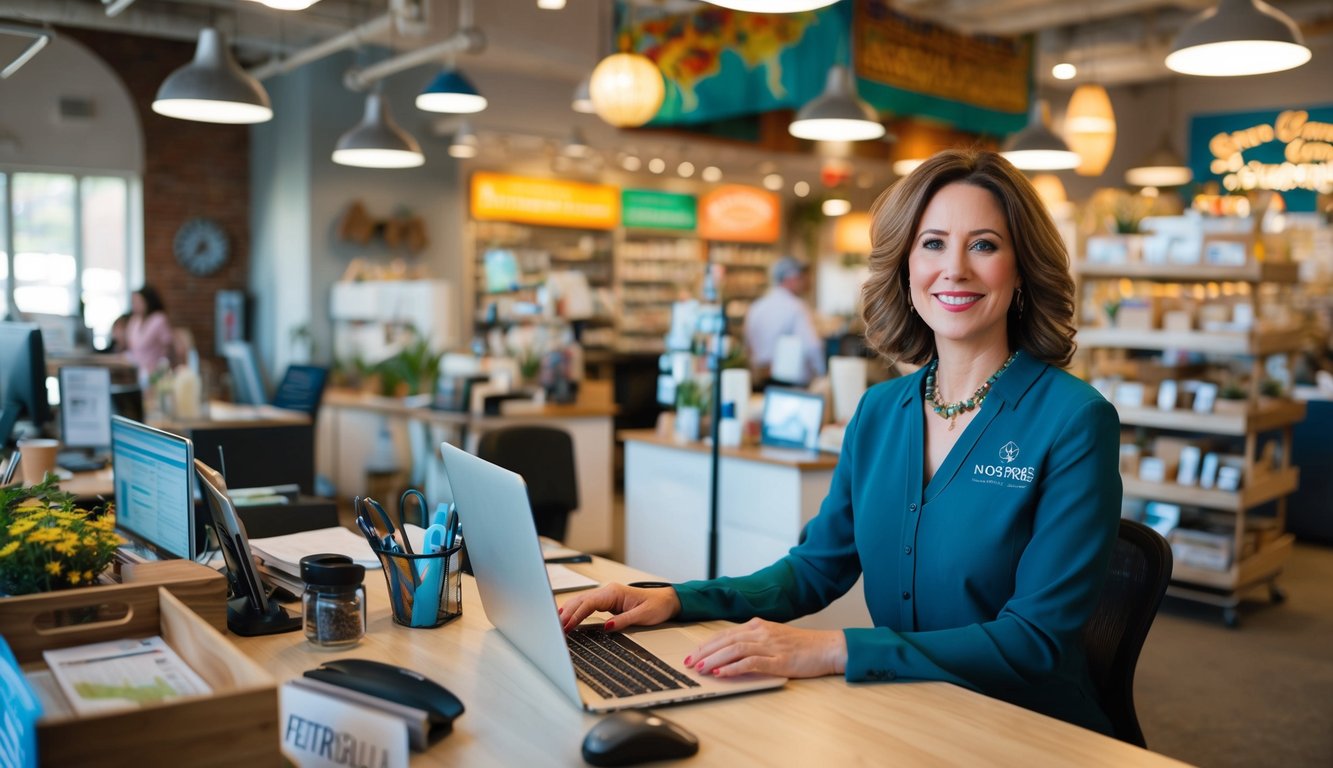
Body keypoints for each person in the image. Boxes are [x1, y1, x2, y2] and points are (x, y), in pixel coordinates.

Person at [559, 148, 1123, 735]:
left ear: (1022, 267)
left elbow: (1035, 641)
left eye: (984, 244)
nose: (954, 269)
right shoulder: (880, 412)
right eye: (932, 244)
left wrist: (835, 650)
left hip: (1028, 731)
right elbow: (812, 571)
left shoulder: (1075, 420)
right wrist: (677, 599)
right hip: (904, 712)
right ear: (906, 266)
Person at [743, 255, 827, 386]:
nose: (804, 282)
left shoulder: (756, 307)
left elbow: (748, 346)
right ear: (791, 279)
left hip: (760, 381)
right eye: (801, 277)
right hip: (791, 384)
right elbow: (812, 346)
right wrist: (822, 374)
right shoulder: (796, 307)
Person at [124, 285, 175, 382]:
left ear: (147, 301)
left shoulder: (159, 319)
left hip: (154, 374)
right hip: (136, 372)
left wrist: (161, 369)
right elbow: (131, 347)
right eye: (133, 302)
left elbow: (168, 348)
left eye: (138, 302)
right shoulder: (134, 321)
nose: (134, 305)